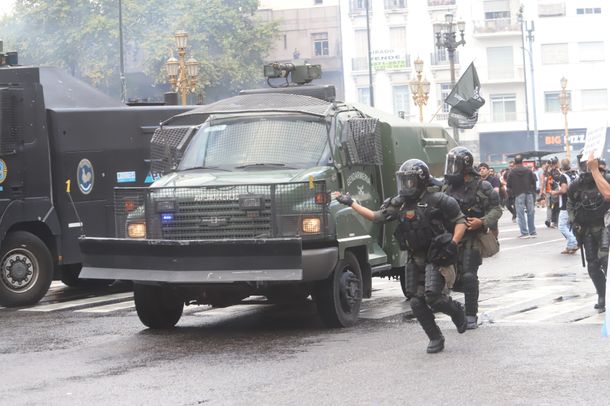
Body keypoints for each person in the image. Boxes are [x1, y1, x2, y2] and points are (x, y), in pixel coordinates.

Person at [335, 159, 467, 353]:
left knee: (434, 298)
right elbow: (375, 216)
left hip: (437, 256)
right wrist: (351, 203)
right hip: (415, 257)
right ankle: (435, 337)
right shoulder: (400, 204)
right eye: (403, 181)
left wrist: (453, 244)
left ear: (420, 180)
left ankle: (456, 311)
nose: (406, 185)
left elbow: (460, 221)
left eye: (410, 181)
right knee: (415, 301)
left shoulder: (438, 199)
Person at [444, 148, 502, 329]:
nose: (451, 169)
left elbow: (497, 209)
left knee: (469, 276)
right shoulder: (446, 187)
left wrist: (482, 221)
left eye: (456, 165)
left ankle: (470, 315)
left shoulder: (482, 187)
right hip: (450, 237)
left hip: (472, 238)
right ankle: (454, 311)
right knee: (445, 279)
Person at [568, 152, 610, 312]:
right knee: (593, 266)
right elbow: (570, 204)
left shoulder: (605, 179)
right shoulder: (575, 185)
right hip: (587, 229)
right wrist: (574, 221)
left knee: (606, 261)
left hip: (605, 226)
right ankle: (601, 295)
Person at [507, 154, 537, 238]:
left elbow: (509, 185)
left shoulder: (512, 172)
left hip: (518, 193)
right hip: (529, 193)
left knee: (520, 214)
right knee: (530, 212)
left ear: (515, 162)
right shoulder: (528, 170)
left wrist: (512, 194)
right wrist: (532, 191)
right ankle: (532, 231)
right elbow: (533, 182)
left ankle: (524, 232)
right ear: (522, 161)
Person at [552, 158, 578, 254]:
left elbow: (563, 190)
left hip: (566, 204)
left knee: (562, 226)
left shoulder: (563, 176)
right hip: (576, 203)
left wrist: (555, 192)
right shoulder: (576, 174)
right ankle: (570, 246)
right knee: (569, 226)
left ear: (561, 167)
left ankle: (574, 242)